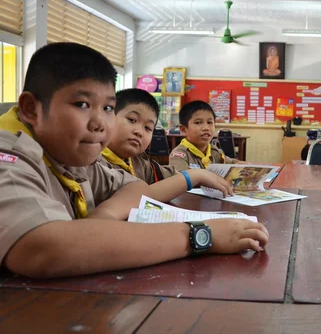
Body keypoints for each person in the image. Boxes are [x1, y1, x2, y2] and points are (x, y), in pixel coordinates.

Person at [0, 43, 268, 279]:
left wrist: (101, 218)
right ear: (31, 109)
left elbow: (136, 188)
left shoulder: (71, 156)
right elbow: (44, 249)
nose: (99, 123)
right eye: (82, 104)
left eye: (107, 108)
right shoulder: (8, 156)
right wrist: (199, 235)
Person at [100, 88, 234, 200]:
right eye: (132, 120)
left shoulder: (139, 163)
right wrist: (196, 175)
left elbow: (170, 174)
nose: (139, 132)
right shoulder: (95, 165)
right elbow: (133, 197)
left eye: (148, 128)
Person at [169, 101, 245, 171]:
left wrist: (241, 164)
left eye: (209, 122)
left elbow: (231, 162)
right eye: (198, 123)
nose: (206, 128)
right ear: (183, 130)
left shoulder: (214, 151)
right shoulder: (179, 155)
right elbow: (181, 179)